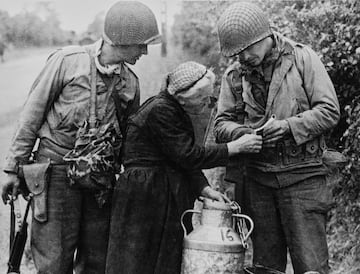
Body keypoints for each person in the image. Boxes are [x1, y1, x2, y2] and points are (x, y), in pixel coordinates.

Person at [1, 1, 161, 273]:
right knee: (54, 260)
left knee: (97, 260)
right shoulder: (67, 62)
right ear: (121, 40)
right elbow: (31, 115)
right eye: (141, 44)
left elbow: (127, 140)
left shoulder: (130, 83)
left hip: (100, 180)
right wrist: (13, 169)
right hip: (55, 174)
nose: (145, 51)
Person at [214, 2, 340, 274]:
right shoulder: (234, 76)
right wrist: (244, 135)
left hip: (303, 179)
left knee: (311, 267)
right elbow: (220, 125)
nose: (244, 56)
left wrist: (288, 127)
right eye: (238, 53)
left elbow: (329, 111)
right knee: (266, 268)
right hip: (258, 182)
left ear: (266, 36)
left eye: (249, 48)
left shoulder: (303, 59)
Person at [105, 61, 263, 274]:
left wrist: (204, 190)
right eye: (203, 98)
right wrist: (233, 147)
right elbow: (188, 156)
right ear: (185, 96)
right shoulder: (161, 110)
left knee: (164, 259)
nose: (207, 103)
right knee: (138, 260)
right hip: (144, 195)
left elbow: (179, 158)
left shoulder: (174, 109)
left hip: (158, 189)